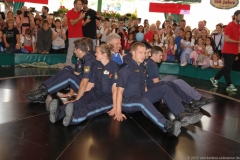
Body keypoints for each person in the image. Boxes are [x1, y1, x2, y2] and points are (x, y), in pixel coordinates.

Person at [109, 42, 203, 136]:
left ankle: (182, 114)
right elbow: (118, 91)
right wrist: (118, 111)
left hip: (140, 95)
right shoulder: (125, 69)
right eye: (140, 52)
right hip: (127, 101)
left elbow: (142, 82)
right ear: (133, 53)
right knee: (142, 101)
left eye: (144, 52)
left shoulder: (140, 66)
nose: (143, 55)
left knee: (164, 88)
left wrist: (147, 89)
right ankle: (167, 125)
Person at [48, 43, 119, 126]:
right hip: (95, 91)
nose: (95, 54)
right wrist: (80, 96)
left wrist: (116, 107)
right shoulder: (97, 65)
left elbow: (115, 89)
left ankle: (74, 117)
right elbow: (91, 83)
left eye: (97, 52)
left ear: (104, 54)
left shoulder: (114, 67)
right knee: (80, 102)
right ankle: (58, 113)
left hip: (107, 97)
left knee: (92, 106)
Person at [25, 38, 96, 103]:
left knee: (69, 77)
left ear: (80, 50)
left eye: (75, 49)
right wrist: (70, 93)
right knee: (67, 68)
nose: (74, 51)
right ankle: (43, 88)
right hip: (85, 84)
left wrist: (77, 101)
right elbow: (76, 74)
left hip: (88, 91)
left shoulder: (88, 61)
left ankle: (43, 93)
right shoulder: (85, 57)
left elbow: (84, 82)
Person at [210, 10, 240, 92]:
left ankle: (215, 78)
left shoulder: (238, 26)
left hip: (234, 51)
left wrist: (237, 50)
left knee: (227, 67)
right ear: (235, 16)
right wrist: (238, 42)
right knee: (228, 69)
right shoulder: (230, 26)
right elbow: (226, 39)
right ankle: (229, 85)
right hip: (228, 51)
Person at [66, 0, 85, 66]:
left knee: (80, 51)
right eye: (79, 4)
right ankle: (68, 65)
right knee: (71, 51)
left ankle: (79, 65)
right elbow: (72, 22)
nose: (81, 6)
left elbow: (82, 24)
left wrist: (87, 21)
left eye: (81, 4)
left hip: (80, 35)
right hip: (72, 35)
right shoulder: (69, 12)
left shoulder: (80, 13)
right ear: (75, 5)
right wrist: (80, 17)